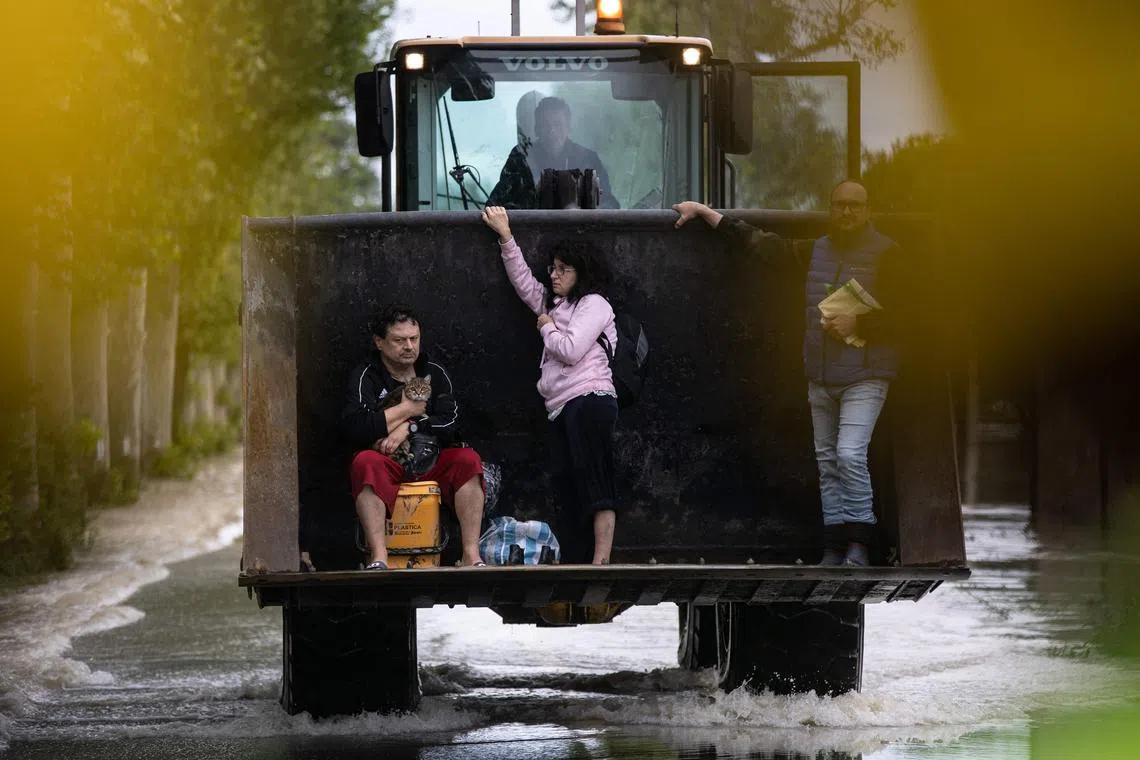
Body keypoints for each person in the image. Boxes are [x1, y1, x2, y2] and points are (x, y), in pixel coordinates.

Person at [672, 180, 906, 566]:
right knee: (827, 462)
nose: (847, 211)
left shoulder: (888, 254)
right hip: (820, 375)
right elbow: (762, 246)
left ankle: (860, 545)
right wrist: (706, 213)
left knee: (849, 455)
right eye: (840, 205)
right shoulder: (816, 251)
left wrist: (861, 324)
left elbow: (913, 316)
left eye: (855, 205)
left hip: (865, 376)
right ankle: (834, 548)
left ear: (868, 210)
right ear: (831, 209)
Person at [480, 205, 619, 564]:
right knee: (567, 487)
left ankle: (601, 561)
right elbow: (524, 282)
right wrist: (506, 237)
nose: (554, 275)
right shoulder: (555, 305)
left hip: (589, 400)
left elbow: (570, 350)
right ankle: (575, 561)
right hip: (560, 407)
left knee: (596, 481)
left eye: (562, 270)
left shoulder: (594, 304)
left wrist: (546, 327)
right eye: (552, 269)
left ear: (581, 272)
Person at [341, 304, 486, 569]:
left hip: (432, 460)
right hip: (389, 461)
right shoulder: (367, 376)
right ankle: (379, 557)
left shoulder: (434, 372)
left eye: (414, 338)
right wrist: (407, 409)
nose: (409, 346)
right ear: (379, 342)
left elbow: (451, 421)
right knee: (364, 463)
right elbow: (356, 426)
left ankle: (470, 555)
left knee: (468, 460)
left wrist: (410, 426)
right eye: (399, 340)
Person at [487, 96, 619, 210]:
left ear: (568, 129)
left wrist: (580, 210)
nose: (552, 131)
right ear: (536, 129)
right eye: (545, 125)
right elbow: (495, 207)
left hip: (579, 230)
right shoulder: (521, 158)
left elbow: (609, 206)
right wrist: (534, 198)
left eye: (558, 124)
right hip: (527, 230)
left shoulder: (587, 159)